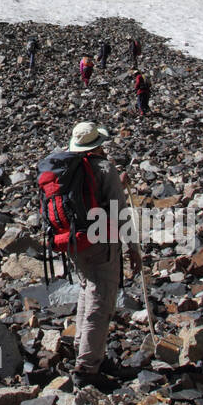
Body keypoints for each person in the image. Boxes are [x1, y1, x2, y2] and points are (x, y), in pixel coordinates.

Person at [62, 122, 141, 386]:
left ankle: (85, 350)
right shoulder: (104, 168)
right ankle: (86, 369)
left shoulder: (67, 168)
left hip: (75, 243)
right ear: (98, 145)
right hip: (101, 244)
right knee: (101, 300)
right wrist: (133, 249)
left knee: (87, 289)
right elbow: (120, 213)